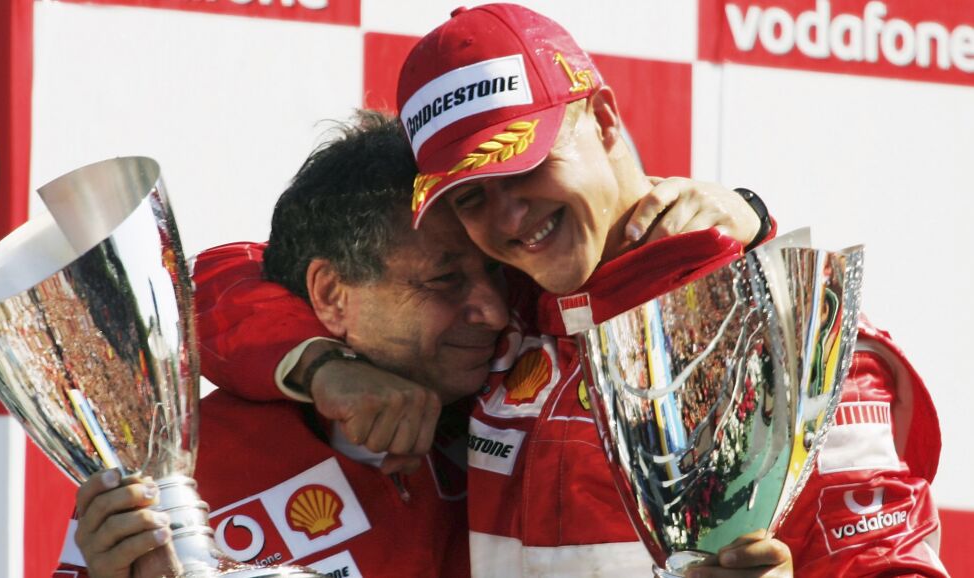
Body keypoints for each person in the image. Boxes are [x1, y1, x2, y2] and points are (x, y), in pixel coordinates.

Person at [202, 4, 947, 578]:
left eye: (523, 164)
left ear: (605, 118)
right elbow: (221, 284)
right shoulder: (512, 319)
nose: (507, 219)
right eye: (471, 197)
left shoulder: (789, 337)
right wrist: (324, 366)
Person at [52, 113, 498, 578]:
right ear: (331, 294)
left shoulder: (522, 381)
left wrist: (319, 363)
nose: (496, 311)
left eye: (498, 268)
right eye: (445, 280)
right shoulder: (173, 472)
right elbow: (219, 275)